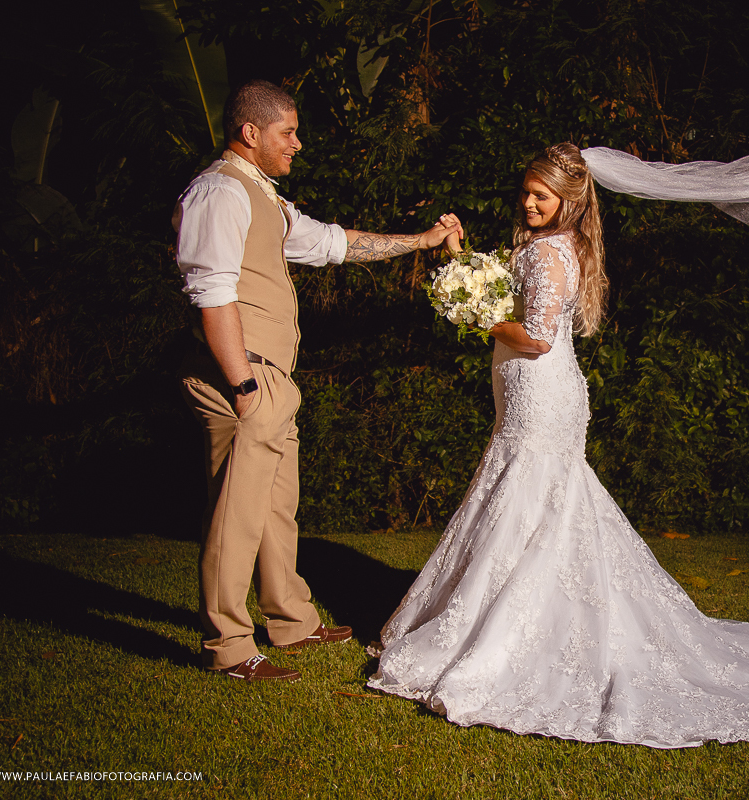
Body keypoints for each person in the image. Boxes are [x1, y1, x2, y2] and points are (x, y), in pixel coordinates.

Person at [365, 144, 749, 747]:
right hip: (538, 395)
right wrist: (461, 261)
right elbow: (512, 303)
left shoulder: (547, 251)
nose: (530, 202)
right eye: (527, 192)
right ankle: (519, 616)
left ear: (569, 201)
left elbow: (534, 337)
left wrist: (468, 314)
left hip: (540, 393)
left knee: (531, 498)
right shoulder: (554, 248)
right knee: (535, 503)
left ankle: (512, 633)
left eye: (543, 195)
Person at [174, 79, 462, 682]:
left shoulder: (266, 199)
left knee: (278, 507)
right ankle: (228, 646)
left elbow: (336, 244)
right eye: (288, 132)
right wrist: (245, 387)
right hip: (243, 379)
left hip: (270, 380)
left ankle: (291, 620)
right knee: (237, 514)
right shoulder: (219, 193)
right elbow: (211, 293)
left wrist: (423, 241)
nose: (298, 143)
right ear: (250, 133)